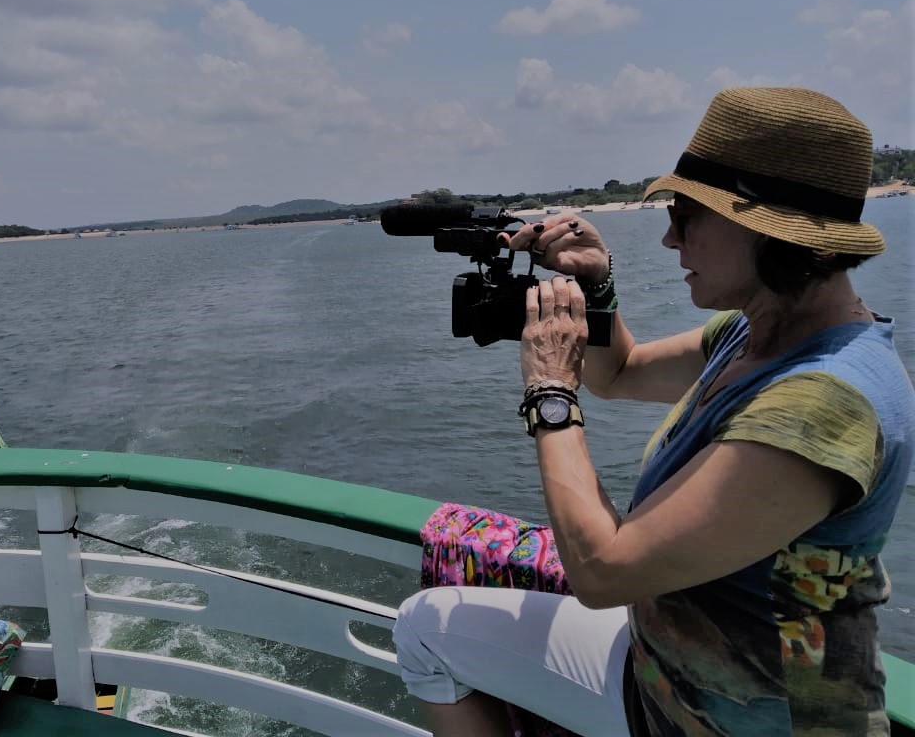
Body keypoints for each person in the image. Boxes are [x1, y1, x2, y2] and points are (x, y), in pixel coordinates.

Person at [392, 87, 914, 737]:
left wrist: (550, 391)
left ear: (767, 228)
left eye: (685, 216)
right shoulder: (752, 334)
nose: (669, 238)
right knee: (424, 627)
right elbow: (622, 372)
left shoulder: (825, 400)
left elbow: (602, 572)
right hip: (660, 681)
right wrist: (597, 282)